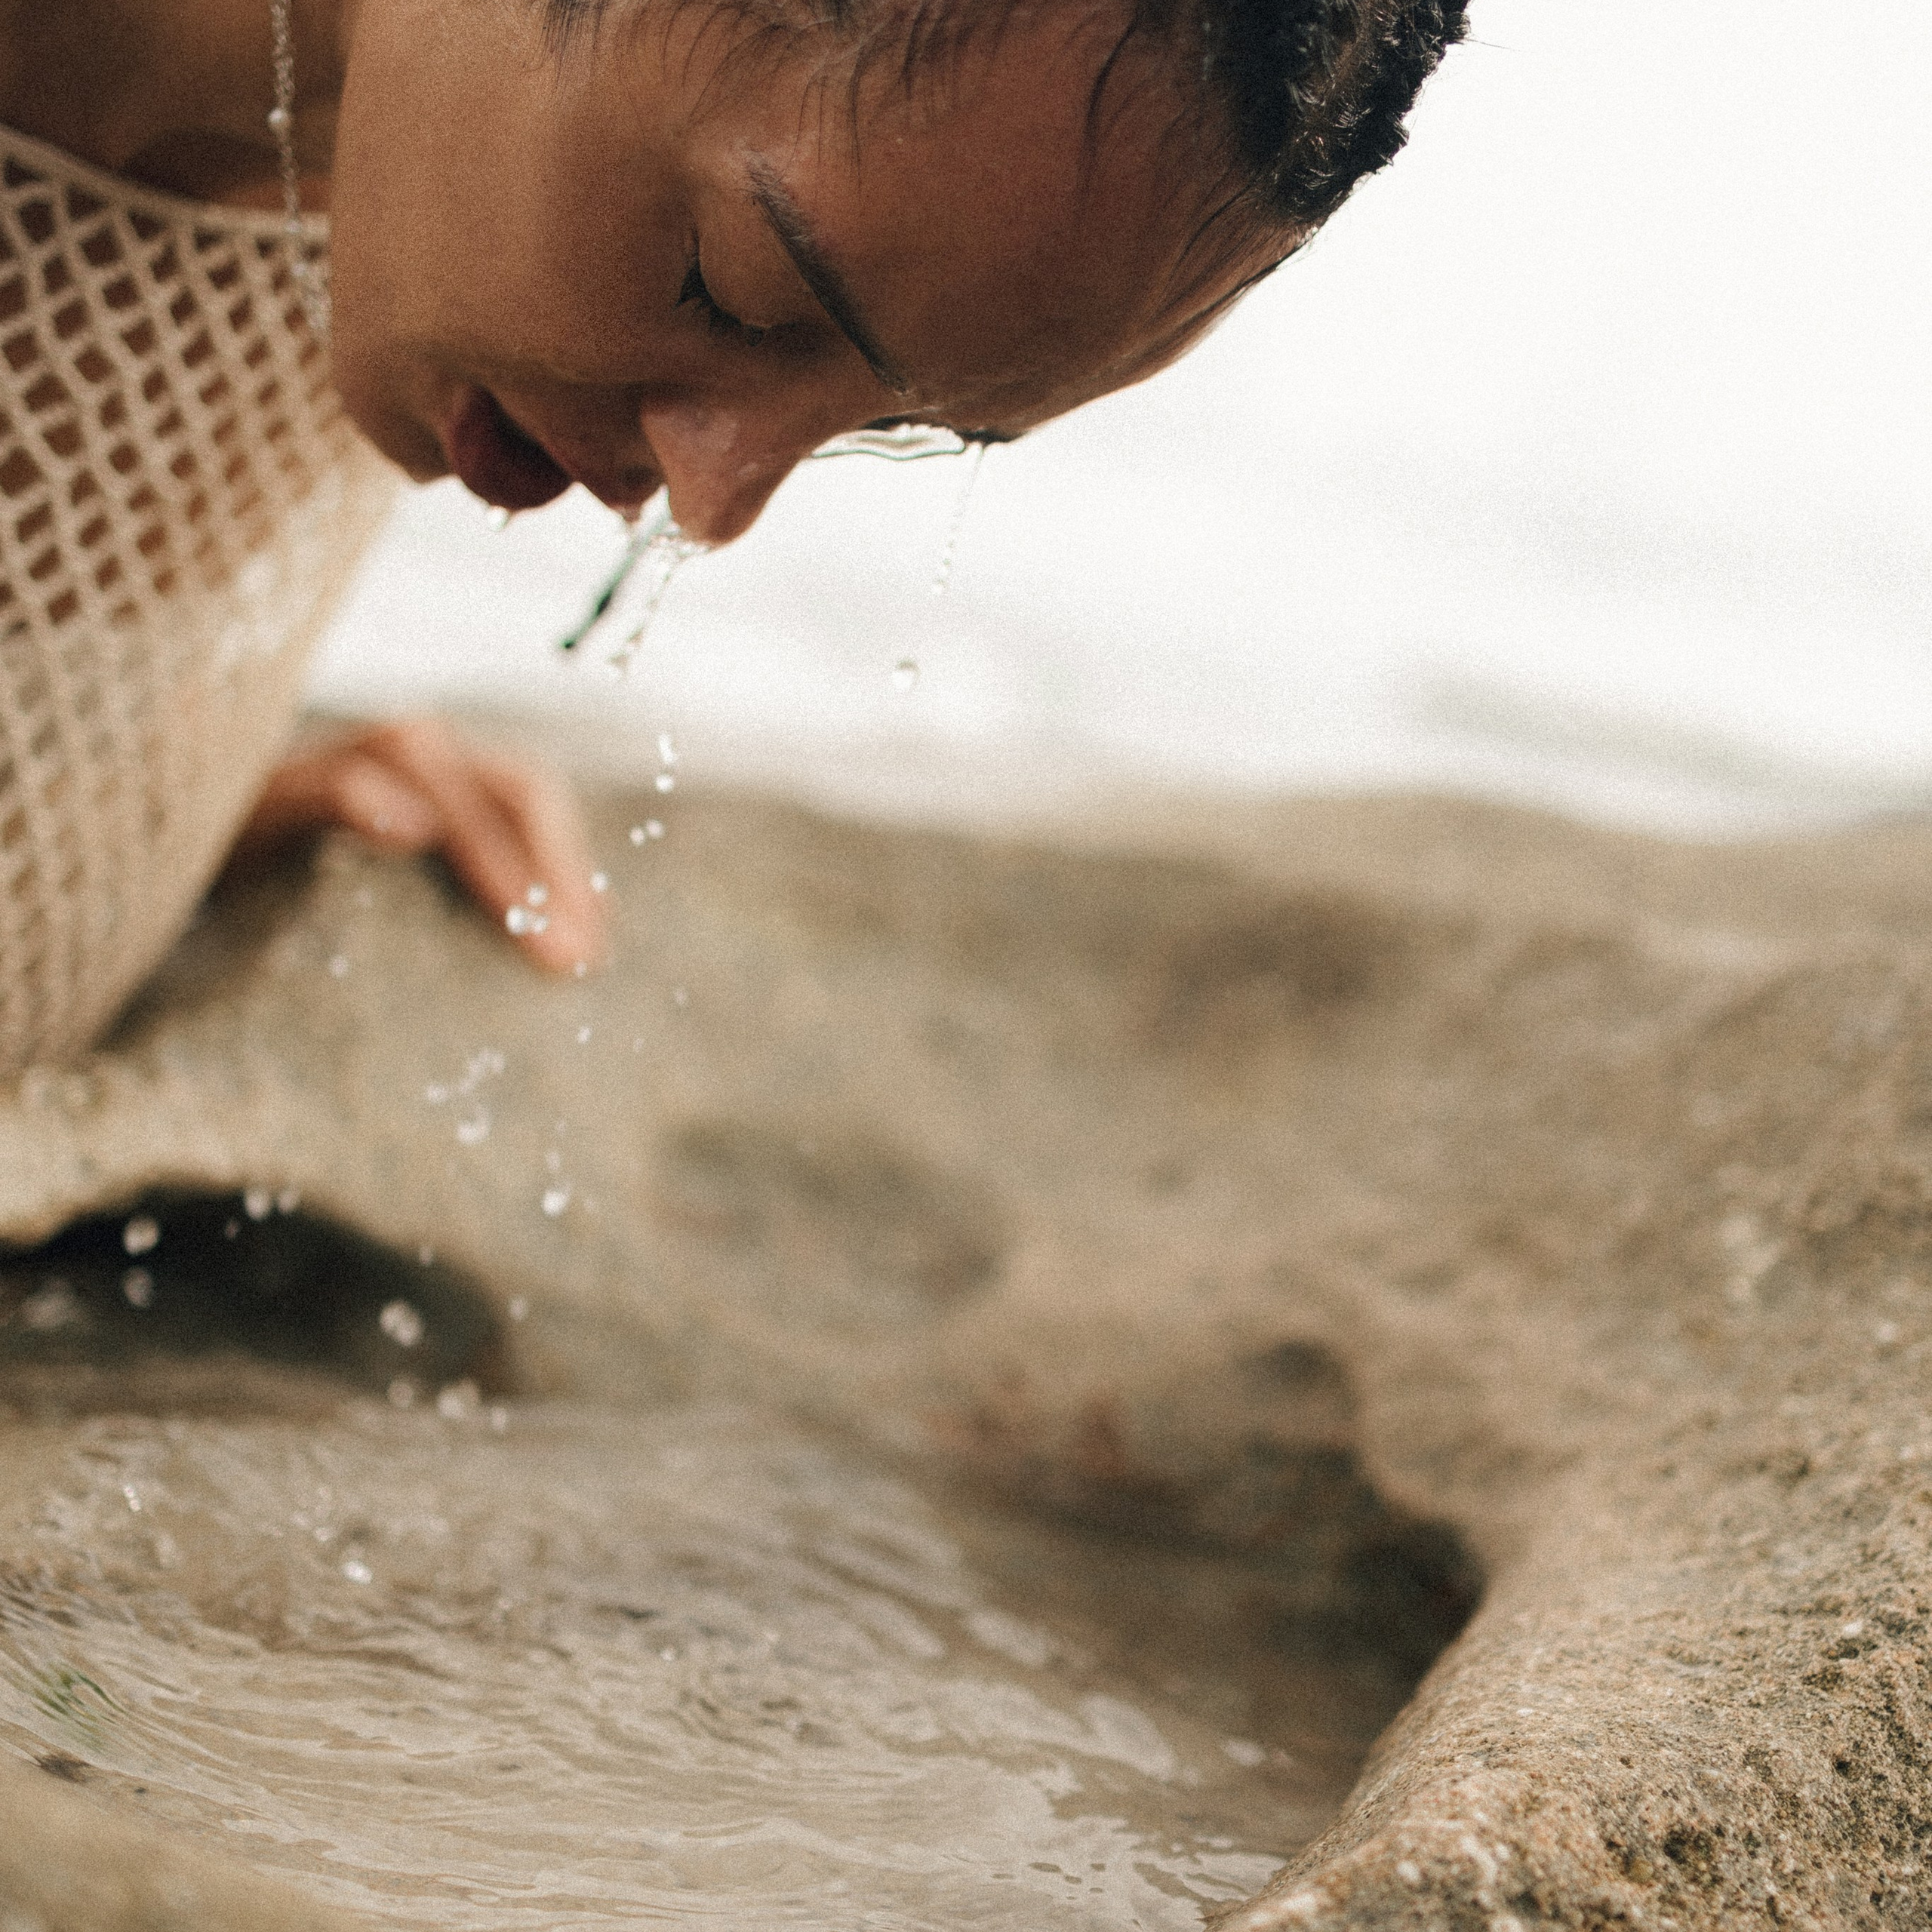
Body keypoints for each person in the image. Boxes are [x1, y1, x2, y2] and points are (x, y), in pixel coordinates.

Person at [0, 0, 1463, 1073]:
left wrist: (162, 802)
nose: (712, 501)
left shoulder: (389, 149)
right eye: (735, 289)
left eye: (892, 422)